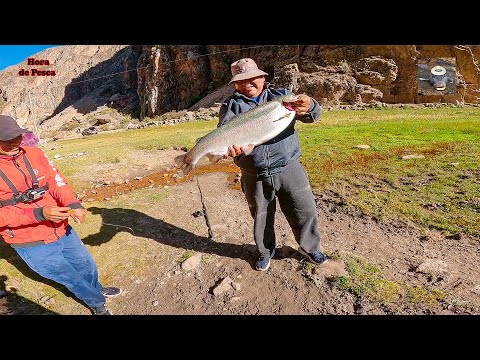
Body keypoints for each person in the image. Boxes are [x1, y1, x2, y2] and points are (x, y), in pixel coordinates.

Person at [0, 115, 121, 315]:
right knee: (68, 276)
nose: (15, 142)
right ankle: (97, 303)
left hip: (61, 228)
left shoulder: (34, 153)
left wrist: (73, 204)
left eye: (17, 136)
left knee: (85, 264)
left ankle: (96, 289)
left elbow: (56, 181)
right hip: (29, 240)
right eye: (6, 139)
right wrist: (39, 213)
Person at [218, 58, 328, 271]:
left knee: (304, 210)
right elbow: (224, 133)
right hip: (253, 173)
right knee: (261, 216)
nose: (247, 83)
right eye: (241, 81)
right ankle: (264, 251)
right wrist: (230, 151)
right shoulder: (230, 105)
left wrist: (310, 105)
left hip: (289, 167)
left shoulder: (282, 98)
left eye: (252, 78)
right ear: (235, 84)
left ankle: (309, 247)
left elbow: (313, 115)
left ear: (262, 77)